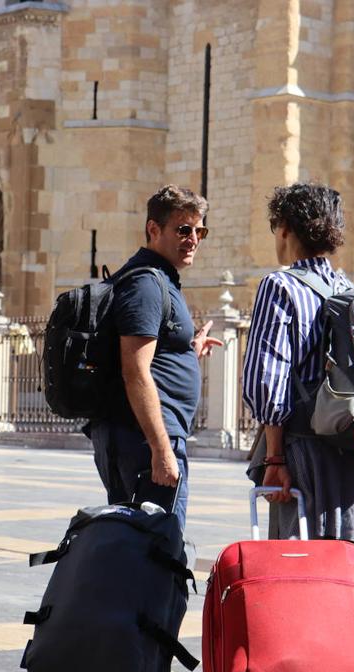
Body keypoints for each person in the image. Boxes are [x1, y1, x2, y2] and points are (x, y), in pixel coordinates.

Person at [242, 182, 354, 557]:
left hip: (302, 456)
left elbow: (267, 381)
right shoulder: (352, 293)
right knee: (346, 574)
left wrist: (274, 459)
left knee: (298, 572)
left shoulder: (280, 286)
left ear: (286, 229)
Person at [88, 185, 222, 526]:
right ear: (153, 229)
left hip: (144, 437)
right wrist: (161, 451)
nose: (193, 238)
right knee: (157, 548)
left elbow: (150, 358)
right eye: (183, 229)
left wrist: (189, 352)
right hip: (144, 441)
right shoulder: (146, 284)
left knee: (143, 548)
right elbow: (135, 372)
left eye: (199, 230)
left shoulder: (159, 279)